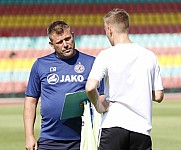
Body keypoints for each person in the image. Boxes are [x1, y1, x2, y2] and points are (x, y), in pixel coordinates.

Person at [86, 8, 164, 150]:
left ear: (109, 29)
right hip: (141, 129)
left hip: (113, 124)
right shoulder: (149, 56)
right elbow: (158, 95)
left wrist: (99, 105)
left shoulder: (106, 55)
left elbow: (90, 87)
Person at [23, 20, 104, 150]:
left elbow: (103, 97)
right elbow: (30, 102)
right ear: (51, 44)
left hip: (82, 138)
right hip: (49, 139)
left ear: (73, 35)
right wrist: (29, 136)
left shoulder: (91, 63)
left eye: (68, 39)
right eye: (60, 42)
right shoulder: (40, 64)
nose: (65, 44)